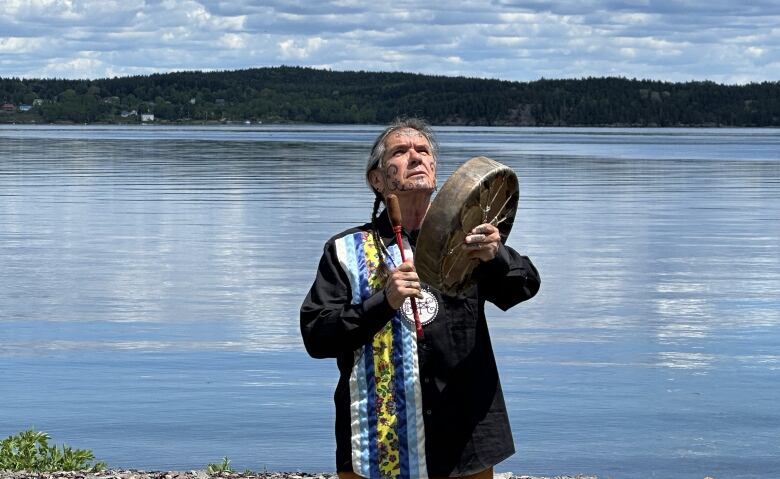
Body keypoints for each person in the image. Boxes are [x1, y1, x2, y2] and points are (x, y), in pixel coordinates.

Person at [300, 118, 540, 479]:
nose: (415, 157)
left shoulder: (469, 242)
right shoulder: (346, 250)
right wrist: (384, 301)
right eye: (400, 151)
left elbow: (524, 287)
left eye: (423, 151)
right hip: (375, 435)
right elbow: (317, 335)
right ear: (377, 180)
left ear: (435, 170)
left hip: (464, 434)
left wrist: (497, 255)